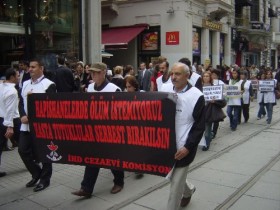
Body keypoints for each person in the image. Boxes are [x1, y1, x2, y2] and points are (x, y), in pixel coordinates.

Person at [72, 62, 124, 198]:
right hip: (94, 131)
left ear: (103, 73)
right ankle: (86, 188)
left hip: (110, 131)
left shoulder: (114, 89)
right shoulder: (90, 87)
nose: (92, 75)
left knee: (113, 159)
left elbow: (121, 112)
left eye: (95, 73)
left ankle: (119, 182)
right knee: (92, 159)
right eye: (91, 73)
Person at [160, 62, 205, 209]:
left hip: (184, 146)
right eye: (172, 73)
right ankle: (189, 190)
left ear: (187, 76)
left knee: (175, 185)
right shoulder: (165, 89)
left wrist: (188, 147)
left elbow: (199, 126)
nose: (173, 77)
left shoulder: (196, 96)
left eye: (177, 74)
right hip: (167, 143)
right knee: (175, 178)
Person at [18, 58, 56, 192]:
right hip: (26, 125)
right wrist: (22, 115)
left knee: (44, 153)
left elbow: (50, 107)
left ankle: (45, 180)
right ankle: (36, 173)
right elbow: (21, 102)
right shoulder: (25, 83)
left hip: (42, 126)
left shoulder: (49, 84)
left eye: (34, 67)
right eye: (30, 67)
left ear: (41, 68)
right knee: (22, 150)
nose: (30, 69)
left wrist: (33, 115)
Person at [0, 68, 21, 177]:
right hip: (11, 120)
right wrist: (10, 126)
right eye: (17, 75)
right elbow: (10, 110)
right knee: (22, 143)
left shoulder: (1, 86)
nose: (19, 77)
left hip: (1, 119)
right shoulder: (12, 91)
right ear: (12, 77)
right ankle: (33, 162)